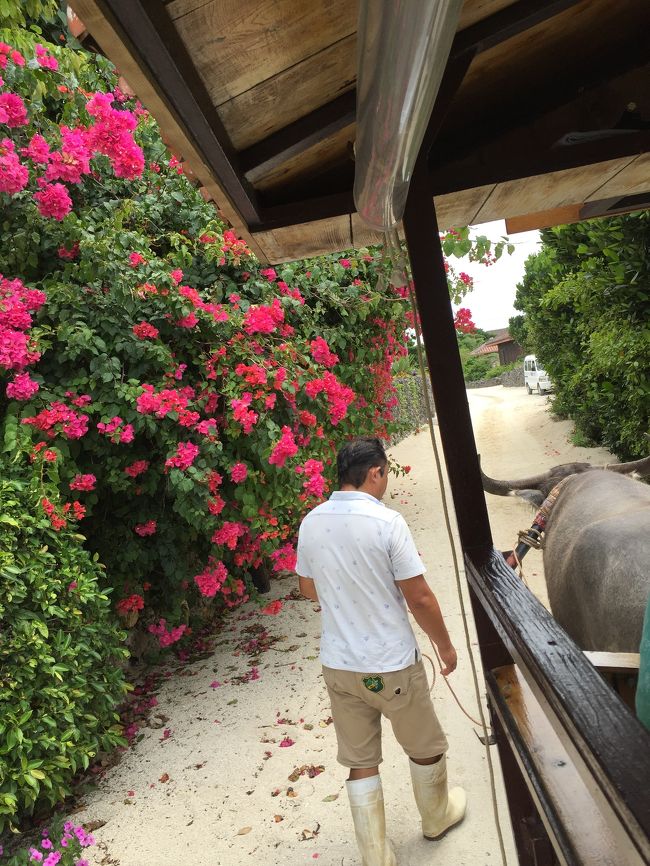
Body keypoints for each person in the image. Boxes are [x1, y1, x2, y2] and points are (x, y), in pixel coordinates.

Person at [296, 436, 466, 866]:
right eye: (385, 472)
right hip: (391, 664)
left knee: (359, 760)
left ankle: (376, 856)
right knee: (424, 745)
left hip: (339, 664)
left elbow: (307, 588)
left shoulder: (311, 521)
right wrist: (445, 646)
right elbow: (421, 598)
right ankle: (436, 816)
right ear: (374, 472)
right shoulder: (387, 523)